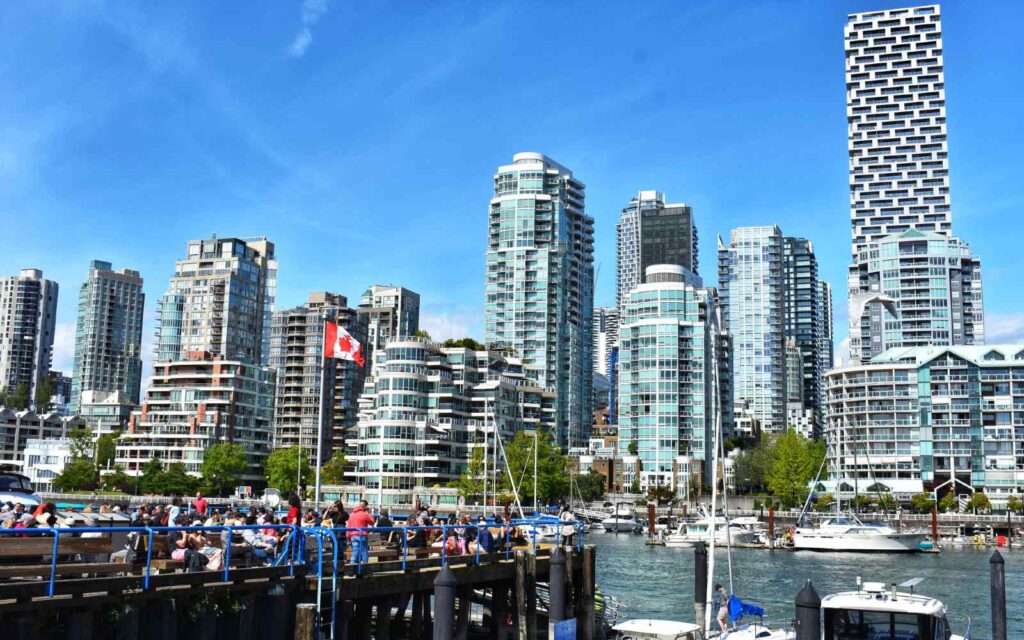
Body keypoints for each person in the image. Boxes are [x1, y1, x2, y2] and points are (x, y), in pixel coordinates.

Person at [346, 500, 375, 565]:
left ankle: (352, 565)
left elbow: (348, 526)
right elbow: (372, 522)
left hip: (353, 535)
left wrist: (348, 537)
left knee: (355, 551)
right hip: (362, 535)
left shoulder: (352, 514)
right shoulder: (364, 514)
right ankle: (365, 566)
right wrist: (369, 513)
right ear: (365, 507)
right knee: (364, 551)